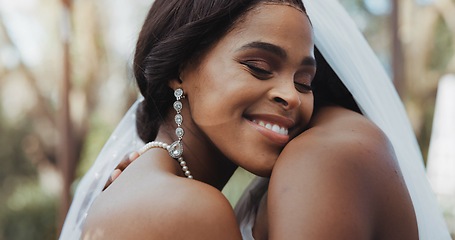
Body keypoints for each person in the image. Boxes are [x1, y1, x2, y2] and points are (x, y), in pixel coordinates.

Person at [59, 0, 452, 239]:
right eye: (259, 67)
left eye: (304, 81)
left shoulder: (145, 185)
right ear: (180, 69)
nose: (291, 96)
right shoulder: (185, 208)